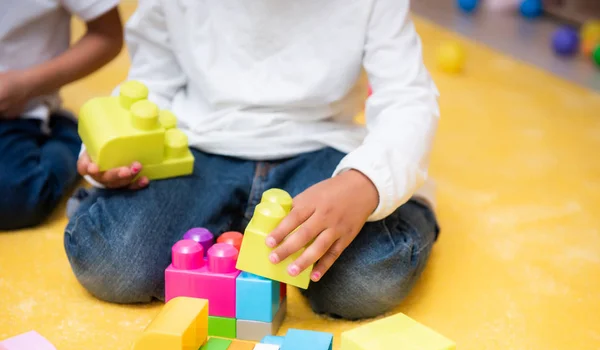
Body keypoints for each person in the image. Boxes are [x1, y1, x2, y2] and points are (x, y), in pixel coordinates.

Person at [65, 0, 441, 320]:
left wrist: (364, 183)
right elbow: (151, 84)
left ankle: (410, 202)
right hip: (198, 147)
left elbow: (407, 98)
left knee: (363, 281)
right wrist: (112, 147)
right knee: (112, 264)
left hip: (321, 148)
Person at [0, 0, 123, 230]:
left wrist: (25, 86)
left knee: (14, 194)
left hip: (17, 107)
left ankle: (70, 136)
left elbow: (108, 35)